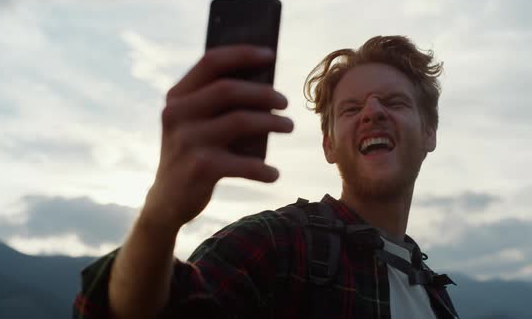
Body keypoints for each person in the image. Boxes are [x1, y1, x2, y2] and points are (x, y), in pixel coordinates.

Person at [73, 36, 458, 319]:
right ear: (329, 147)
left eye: (394, 102)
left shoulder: (437, 296)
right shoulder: (278, 244)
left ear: (429, 133)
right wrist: (159, 218)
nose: (372, 112)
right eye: (351, 108)